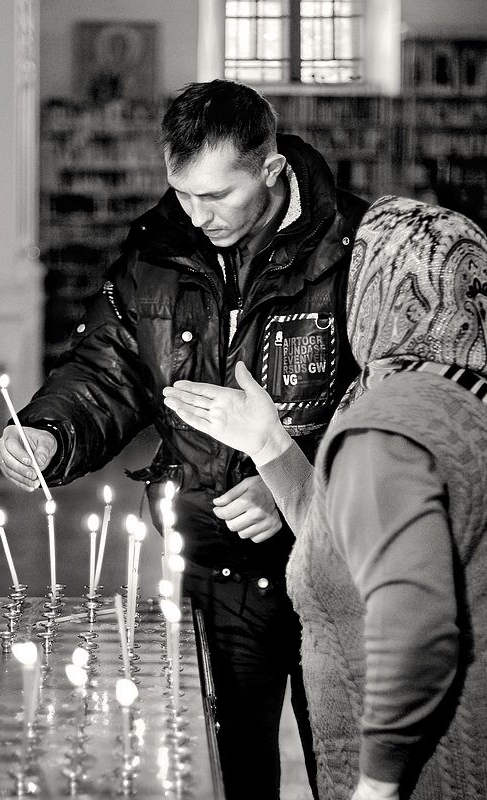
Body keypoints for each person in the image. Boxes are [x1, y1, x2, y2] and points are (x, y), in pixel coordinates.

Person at [0, 79, 369, 800]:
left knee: (346, 761)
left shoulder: (359, 249)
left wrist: (291, 473)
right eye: (183, 193)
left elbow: (388, 411)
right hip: (212, 556)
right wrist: (49, 431)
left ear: (270, 170)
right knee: (227, 764)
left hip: (333, 559)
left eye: (216, 197)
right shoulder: (157, 247)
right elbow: (112, 369)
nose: (196, 217)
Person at [162, 195, 487, 800]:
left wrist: (377, 783)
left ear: (380, 293)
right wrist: (270, 445)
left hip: (426, 770)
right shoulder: (461, 393)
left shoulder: (392, 420)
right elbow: (354, 545)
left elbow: (414, 621)